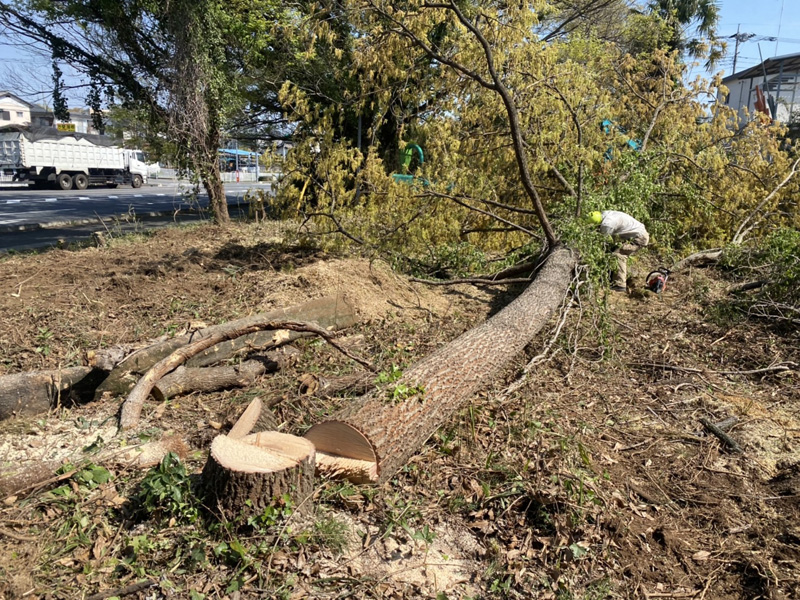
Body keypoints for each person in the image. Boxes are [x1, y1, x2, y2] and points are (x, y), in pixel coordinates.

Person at [588, 210, 649, 292]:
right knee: (613, 249)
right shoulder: (604, 214)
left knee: (619, 254)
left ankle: (620, 284)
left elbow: (603, 242)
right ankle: (611, 277)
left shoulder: (607, 224)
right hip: (635, 234)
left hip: (639, 238)